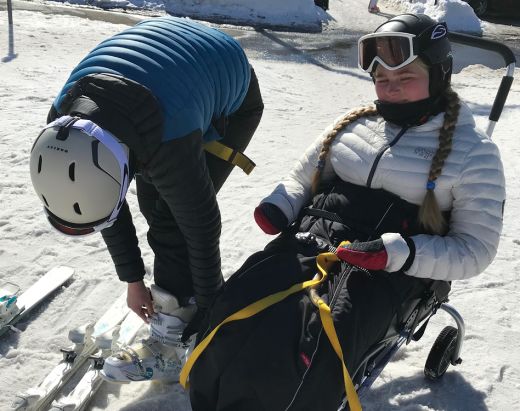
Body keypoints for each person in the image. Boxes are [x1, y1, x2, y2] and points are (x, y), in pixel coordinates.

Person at [186, 13, 505, 410]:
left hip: (388, 269)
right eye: (382, 80)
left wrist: (398, 252)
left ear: (440, 74)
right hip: (311, 240)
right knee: (237, 300)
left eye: (405, 78)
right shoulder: (356, 123)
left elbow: (476, 248)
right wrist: (281, 204)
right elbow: (304, 175)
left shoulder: (473, 153)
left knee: (310, 340)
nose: (391, 91)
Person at [29, 16, 263, 382]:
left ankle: (173, 336)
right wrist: (133, 280)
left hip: (230, 86)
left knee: (172, 217)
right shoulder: (63, 125)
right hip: (170, 70)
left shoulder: (168, 139)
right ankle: (180, 300)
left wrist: (208, 309)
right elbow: (105, 204)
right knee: (160, 204)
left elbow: (201, 226)